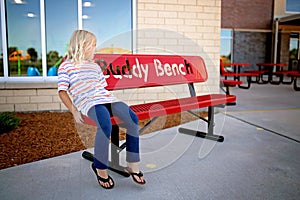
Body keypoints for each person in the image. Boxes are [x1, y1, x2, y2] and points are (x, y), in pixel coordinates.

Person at [57, 30, 145, 189]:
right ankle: (100, 167)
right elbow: (62, 91)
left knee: (133, 120)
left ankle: (133, 163)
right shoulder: (66, 66)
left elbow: (102, 88)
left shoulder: (94, 66)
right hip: (89, 102)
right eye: (93, 45)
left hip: (107, 99)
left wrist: (112, 102)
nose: (96, 48)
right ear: (83, 45)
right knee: (105, 125)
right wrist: (74, 110)